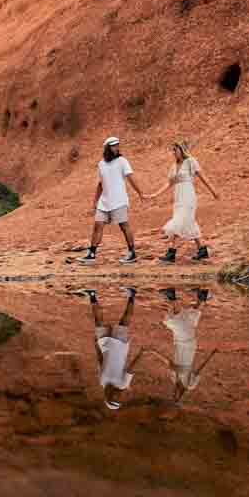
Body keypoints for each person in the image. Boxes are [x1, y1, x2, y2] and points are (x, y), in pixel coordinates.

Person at [78, 136, 147, 265]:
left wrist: (140, 193)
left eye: (117, 145)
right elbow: (100, 184)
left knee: (123, 226)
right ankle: (91, 253)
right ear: (107, 148)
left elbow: (131, 178)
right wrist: (94, 202)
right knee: (97, 225)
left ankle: (132, 253)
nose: (116, 148)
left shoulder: (122, 161)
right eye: (113, 146)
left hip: (119, 200)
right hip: (104, 202)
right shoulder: (101, 164)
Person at [149, 138, 219, 262]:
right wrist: (156, 194)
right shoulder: (174, 166)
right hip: (178, 197)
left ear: (181, 150)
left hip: (188, 196)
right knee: (189, 222)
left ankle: (171, 253)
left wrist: (213, 191)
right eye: (172, 150)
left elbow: (203, 177)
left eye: (175, 150)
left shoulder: (190, 162)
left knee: (180, 221)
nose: (173, 152)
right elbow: (169, 183)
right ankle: (202, 250)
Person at [78, 286, 146, 409]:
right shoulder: (123, 384)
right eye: (119, 398)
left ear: (108, 397)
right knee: (124, 320)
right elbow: (131, 368)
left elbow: (100, 362)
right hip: (120, 346)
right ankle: (132, 295)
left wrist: (96, 346)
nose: (119, 396)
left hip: (105, 347)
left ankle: (92, 294)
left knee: (98, 322)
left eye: (116, 398)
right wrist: (142, 354)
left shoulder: (102, 382)